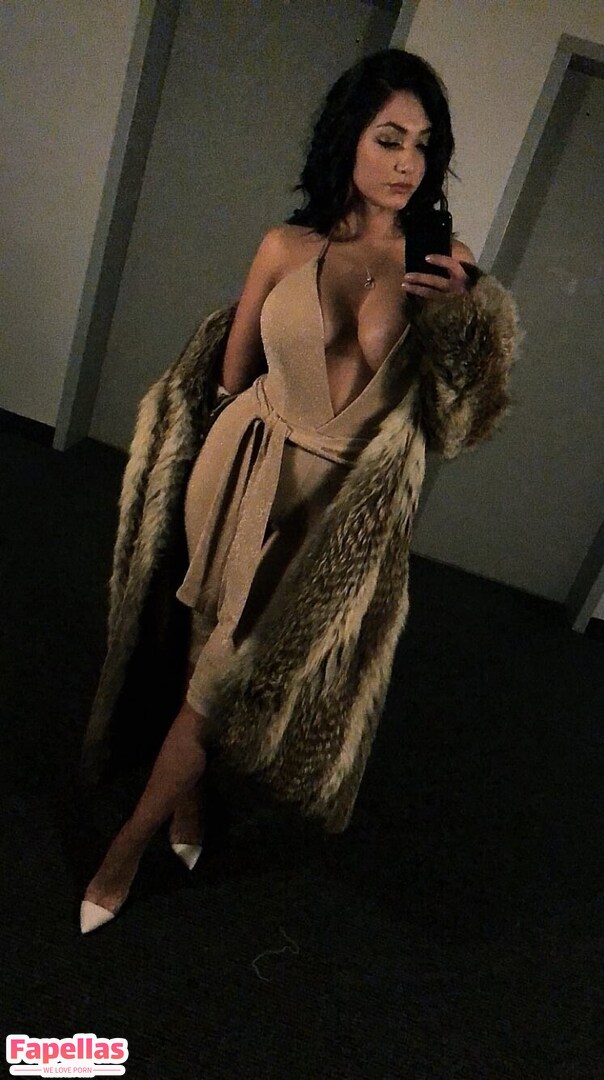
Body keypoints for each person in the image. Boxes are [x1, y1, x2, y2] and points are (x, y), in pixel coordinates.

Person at [79, 48, 518, 932]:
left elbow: (461, 425)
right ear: (346, 139)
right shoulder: (287, 247)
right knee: (206, 636)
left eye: (423, 145)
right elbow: (228, 374)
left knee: (223, 675)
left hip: (340, 506)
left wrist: (461, 322)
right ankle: (187, 804)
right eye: (388, 139)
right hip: (247, 467)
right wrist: (223, 455)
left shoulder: (446, 264)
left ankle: (122, 850)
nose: (407, 163)